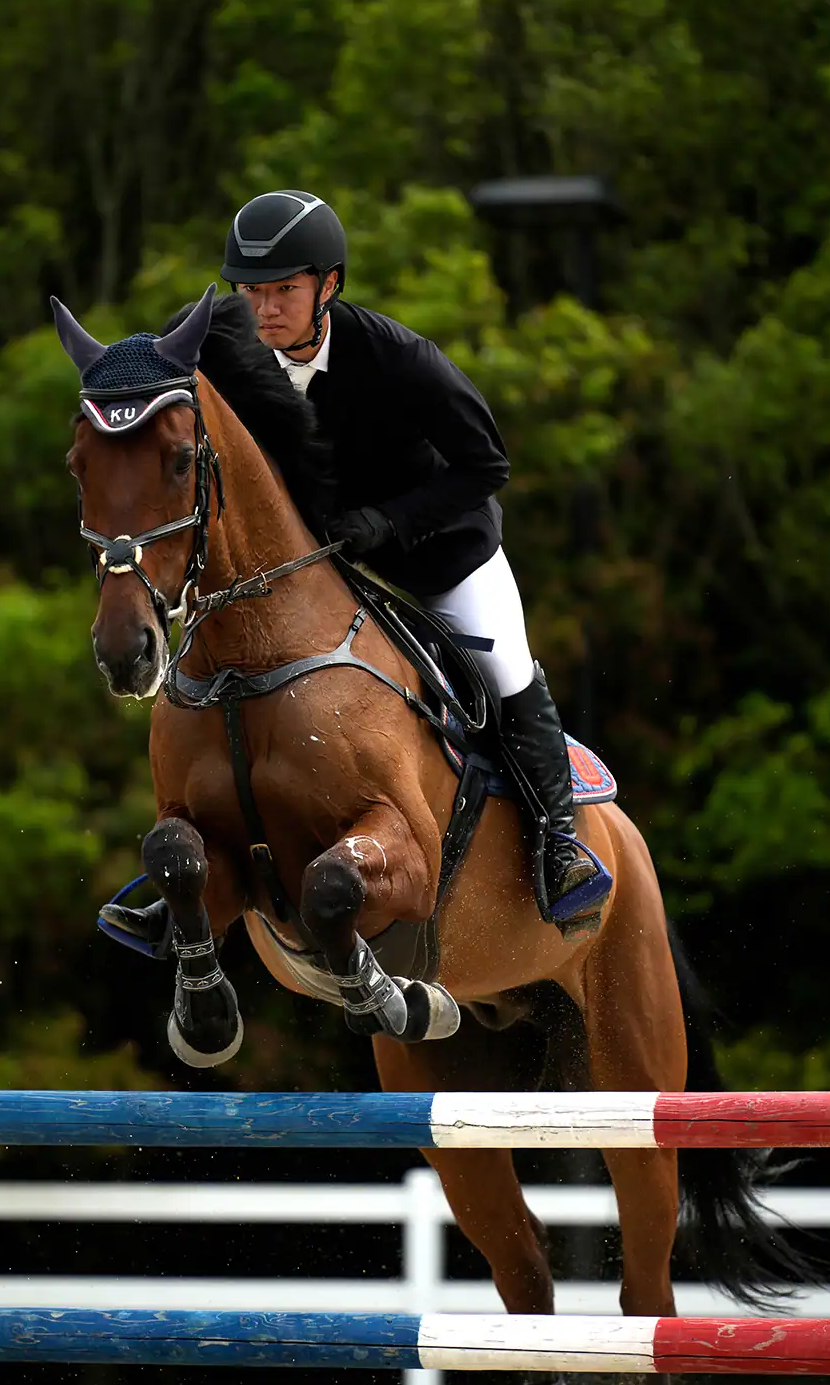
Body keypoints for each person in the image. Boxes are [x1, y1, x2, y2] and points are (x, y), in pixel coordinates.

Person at [105, 190, 609, 946]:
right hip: (313, 567)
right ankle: (181, 877)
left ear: (328, 286)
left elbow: (486, 464)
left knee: (505, 670)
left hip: (439, 554)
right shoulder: (233, 360)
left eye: (284, 290)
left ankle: (558, 846)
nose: (265, 309)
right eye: (251, 292)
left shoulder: (398, 359)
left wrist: (390, 522)